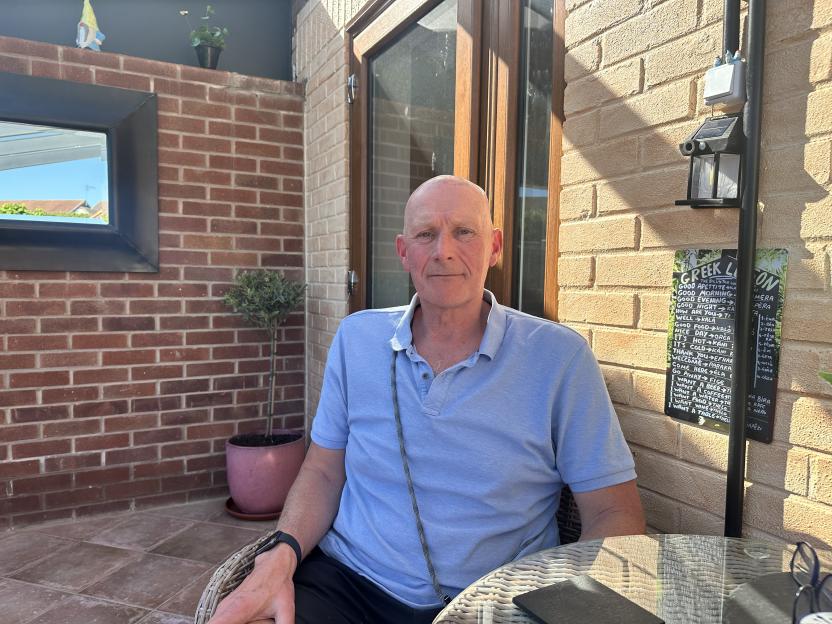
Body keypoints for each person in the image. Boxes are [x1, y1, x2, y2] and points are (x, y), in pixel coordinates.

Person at [208, 175, 645, 624]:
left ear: (494, 247)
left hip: (495, 601)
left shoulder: (558, 358)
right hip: (348, 584)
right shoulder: (356, 338)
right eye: (425, 234)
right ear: (403, 252)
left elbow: (613, 510)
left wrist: (576, 606)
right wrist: (280, 556)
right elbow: (322, 470)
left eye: (464, 231)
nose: (444, 251)